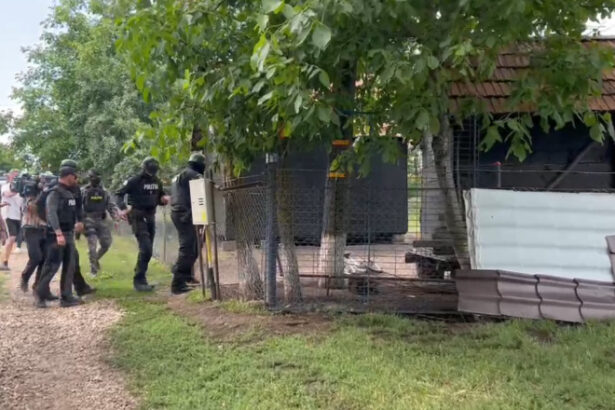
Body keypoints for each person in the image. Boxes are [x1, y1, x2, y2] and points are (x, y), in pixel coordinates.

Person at [116, 157, 170, 292]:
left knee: (148, 250)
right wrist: (123, 208)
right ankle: (139, 281)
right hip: (138, 216)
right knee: (146, 248)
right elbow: (119, 194)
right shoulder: (135, 181)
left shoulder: (157, 181)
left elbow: (159, 198)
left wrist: (164, 200)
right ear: (145, 167)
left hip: (151, 216)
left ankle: (141, 276)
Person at [35, 161, 83, 308]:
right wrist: (58, 233)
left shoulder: (70, 192)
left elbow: (74, 210)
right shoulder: (55, 192)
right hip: (56, 235)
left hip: (69, 232)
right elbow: (51, 213)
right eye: (74, 176)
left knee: (70, 266)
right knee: (51, 266)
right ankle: (40, 296)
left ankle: (67, 297)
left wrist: (79, 222)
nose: (76, 178)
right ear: (68, 176)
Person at [170, 152, 206, 294]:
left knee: (196, 245)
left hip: (178, 213)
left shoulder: (180, 175)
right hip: (185, 214)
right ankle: (177, 283)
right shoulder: (193, 175)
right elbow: (203, 190)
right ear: (200, 165)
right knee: (188, 249)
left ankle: (185, 276)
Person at [81, 169, 119, 276]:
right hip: (88, 219)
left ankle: (95, 259)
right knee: (92, 246)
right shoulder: (83, 191)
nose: (95, 179)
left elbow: (110, 205)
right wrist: (79, 221)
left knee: (106, 243)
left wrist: (116, 218)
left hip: (101, 220)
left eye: (97, 177)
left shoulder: (104, 191)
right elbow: (78, 206)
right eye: (93, 177)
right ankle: (93, 270)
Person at [19, 175, 52, 296]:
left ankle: (38, 286)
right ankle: (25, 277)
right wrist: (43, 193)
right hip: (31, 228)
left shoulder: (44, 193)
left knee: (45, 258)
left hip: (44, 229)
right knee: (36, 257)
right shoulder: (30, 194)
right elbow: (32, 207)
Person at [0, 169, 24, 270]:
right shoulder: (6, 186)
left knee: (12, 239)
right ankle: (4, 262)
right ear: (9, 176)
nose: (15, 178)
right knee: (12, 238)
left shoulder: (22, 189)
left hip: (17, 216)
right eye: (14, 176)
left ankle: (5, 260)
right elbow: (8, 194)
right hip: (8, 215)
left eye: (17, 177)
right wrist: (18, 189)